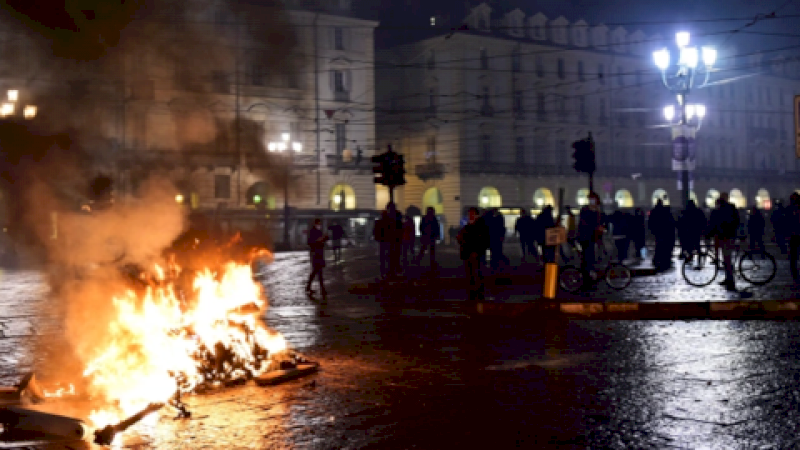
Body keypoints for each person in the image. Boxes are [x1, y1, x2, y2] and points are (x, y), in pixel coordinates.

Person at [708, 193, 740, 291]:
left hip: (725, 236)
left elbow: (715, 224)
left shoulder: (720, 210)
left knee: (727, 259)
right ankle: (728, 278)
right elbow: (737, 221)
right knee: (727, 259)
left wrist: (709, 234)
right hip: (729, 236)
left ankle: (730, 280)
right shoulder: (731, 207)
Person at [457, 207, 490, 303]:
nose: (469, 216)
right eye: (469, 214)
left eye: (471, 214)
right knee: (470, 274)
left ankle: (478, 294)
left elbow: (483, 240)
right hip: (468, 254)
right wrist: (460, 238)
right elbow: (465, 237)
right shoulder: (469, 225)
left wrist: (477, 251)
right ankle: (472, 292)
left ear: (476, 215)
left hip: (475, 254)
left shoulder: (480, 225)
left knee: (477, 274)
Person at [577, 192, 603, 284]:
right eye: (590, 199)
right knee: (587, 256)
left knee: (591, 256)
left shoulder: (597, 210)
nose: (592, 201)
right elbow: (585, 222)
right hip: (585, 236)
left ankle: (589, 274)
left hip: (593, 236)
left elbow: (600, 221)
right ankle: (585, 276)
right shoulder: (585, 209)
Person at [649, 200, 676, 272]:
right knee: (663, 247)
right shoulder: (664, 211)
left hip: (658, 232)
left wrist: (652, 231)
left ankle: (657, 260)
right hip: (664, 232)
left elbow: (650, 222)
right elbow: (670, 223)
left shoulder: (654, 211)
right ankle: (663, 261)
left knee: (658, 246)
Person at [305, 218, 328, 296]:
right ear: (315, 224)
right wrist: (318, 240)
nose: (319, 225)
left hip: (320, 253)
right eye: (318, 224)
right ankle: (322, 289)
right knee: (318, 272)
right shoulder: (312, 232)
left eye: (320, 224)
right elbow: (310, 242)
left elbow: (322, 242)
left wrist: (324, 239)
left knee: (315, 271)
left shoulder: (319, 231)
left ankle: (308, 287)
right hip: (315, 253)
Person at [788, 193, 800, 283]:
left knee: (793, 256)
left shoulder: (790, 208)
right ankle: (794, 274)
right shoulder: (790, 209)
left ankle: (795, 274)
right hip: (793, 235)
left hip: (794, 234)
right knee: (793, 256)